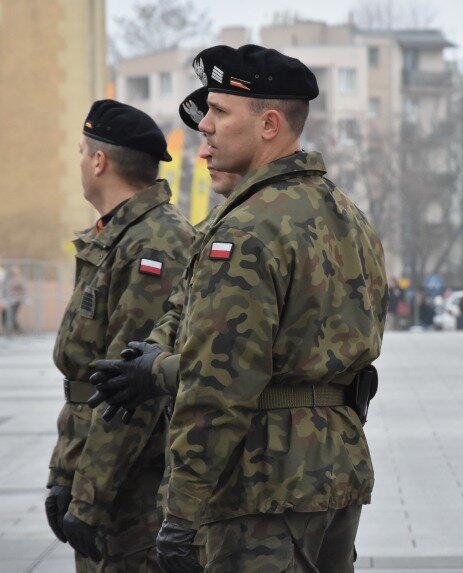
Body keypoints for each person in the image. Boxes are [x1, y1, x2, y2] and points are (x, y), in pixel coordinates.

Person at [91, 45, 387, 573]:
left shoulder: (249, 229)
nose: (204, 126)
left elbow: (217, 387)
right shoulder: (345, 214)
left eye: (220, 111)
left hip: (263, 483)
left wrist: (181, 513)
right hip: (335, 472)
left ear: (269, 124)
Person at [45, 100, 195, 571]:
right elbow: (83, 382)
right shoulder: (117, 235)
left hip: (131, 487)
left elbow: (127, 389)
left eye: (81, 151)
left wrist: (88, 497)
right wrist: (62, 474)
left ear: (99, 161)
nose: (79, 162)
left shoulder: (156, 241)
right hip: (96, 466)